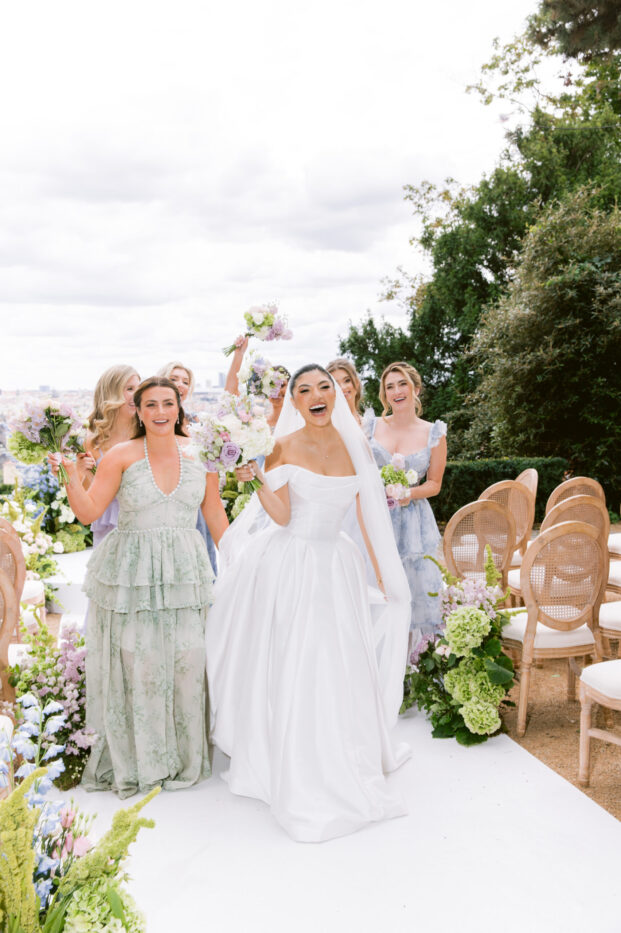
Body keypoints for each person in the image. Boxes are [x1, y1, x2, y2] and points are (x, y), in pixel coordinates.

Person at [206, 365, 411, 842]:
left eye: (324, 387)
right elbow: (281, 515)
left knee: (339, 659)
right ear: (295, 402)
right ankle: (294, 759)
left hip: (338, 564)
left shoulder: (356, 446)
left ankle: (343, 748)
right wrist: (256, 479)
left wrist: (384, 576)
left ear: (336, 394)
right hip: (294, 563)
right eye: (304, 390)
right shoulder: (282, 446)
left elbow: (367, 514)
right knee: (298, 657)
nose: (316, 395)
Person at [51, 377, 228, 798]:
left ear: (179, 407)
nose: (160, 412)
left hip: (185, 573)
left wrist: (245, 564)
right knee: (139, 666)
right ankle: (140, 762)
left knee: (188, 661)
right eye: (151, 405)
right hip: (132, 576)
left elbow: (216, 515)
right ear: (139, 410)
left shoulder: (203, 455)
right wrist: (71, 475)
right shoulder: (121, 455)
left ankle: (183, 759)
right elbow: (88, 512)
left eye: (168, 403)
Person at [367, 362, 447, 644]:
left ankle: (415, 657)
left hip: (414, 524)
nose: (396, 391)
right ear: (384, 394)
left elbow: (434, 484)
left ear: (416, 389)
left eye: (403, 384)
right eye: (389, 386)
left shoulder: (434, 433)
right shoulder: (370, 427)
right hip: (375, 518)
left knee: (414, 590)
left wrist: (406, 494)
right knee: (376, 586)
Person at [157, 360, 217, 574]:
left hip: (195, 500)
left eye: (185, 381)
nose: (180, 384)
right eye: (174, 379)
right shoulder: (150, 420)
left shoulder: (195, 422)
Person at [84, 365, 141, 546]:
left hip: (144, 527)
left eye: (139, 388)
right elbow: (88, 497)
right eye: (129, 389)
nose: (137, 395)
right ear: (111, 393)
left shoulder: (148, 435)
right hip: (108, 532)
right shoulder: (92, 442)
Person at [224, 335, 290, 430]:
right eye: (271, 386)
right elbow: (230, 393)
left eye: (282, 385)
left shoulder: (301, 421)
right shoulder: (259, 422)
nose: (277, 391)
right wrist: (239, 354)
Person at [326, 357, 365, 425]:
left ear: (356, 383)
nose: (342, 387)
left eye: (347, 380)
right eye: (336, 384)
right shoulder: (327, 424)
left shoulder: (370, 423)